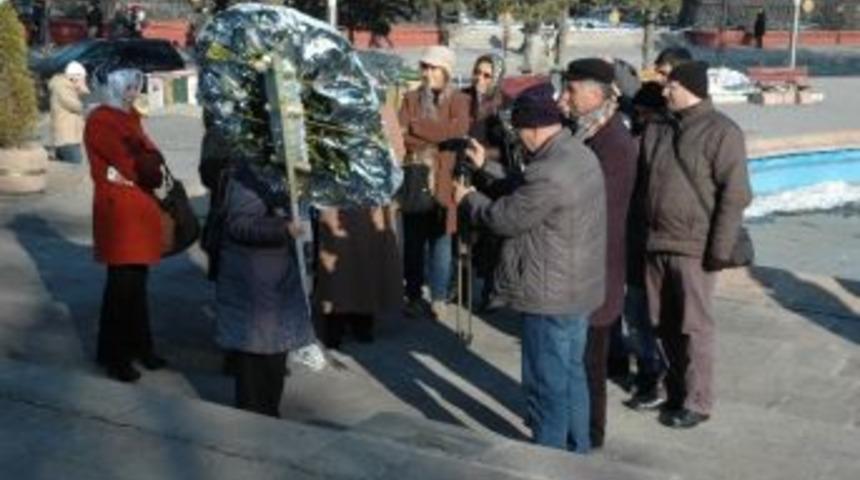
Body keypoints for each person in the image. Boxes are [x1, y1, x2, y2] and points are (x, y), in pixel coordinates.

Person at [453, 83, 606, 454]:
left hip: (548, 296)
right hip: (577, 291)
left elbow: (505, 218)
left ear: (535, 128)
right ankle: (577, 452)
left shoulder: (549, 172)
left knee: (545, 387)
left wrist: (468, 199)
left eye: (520, 131)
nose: (518, 139)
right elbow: (524, 189)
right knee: (571, 378)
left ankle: (548, 459)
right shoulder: (575, 154)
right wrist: (484, 167)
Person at [639, 61, 752, 428]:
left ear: (689, 88)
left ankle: (699, 401)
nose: (665, 90)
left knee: (695, 327)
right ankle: (674, 391)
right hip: (657, 242)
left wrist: (717, 251)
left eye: (670, 85)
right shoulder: (658, 126)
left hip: (695, 247)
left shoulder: (722, 132)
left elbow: (736, 195)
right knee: (662, 324)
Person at [560, 58, 639, 449]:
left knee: (591, 361)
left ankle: (591, 434)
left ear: (594, 93)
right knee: (579, 358)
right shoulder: (587, 132)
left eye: (571, 90)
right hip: (583, 267)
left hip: (598, 269)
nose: (565, 98)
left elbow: (597, 207)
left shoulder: (614, 142)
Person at [84, 66, 167, 382]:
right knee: (121, 289)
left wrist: (149, 157)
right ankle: (115, 356)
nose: (136, 92)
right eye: (130, 87)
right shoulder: (103, 120)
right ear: (116, 88)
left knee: (136, 285)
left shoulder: (129, 117)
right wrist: (149, 160)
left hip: (134, 210)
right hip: (120, 214)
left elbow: (150, 154)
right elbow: (139, 166)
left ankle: (140, 348)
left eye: (137, 86)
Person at [214, 160, 311, 417]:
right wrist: (283, 228)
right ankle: (254, 420)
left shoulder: (280, 173)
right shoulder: (250, 174)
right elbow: (238, 223)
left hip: (275, 282)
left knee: (274, 357)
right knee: (255, 361)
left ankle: (269, 414)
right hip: (254, 282)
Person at [315, 105, 404, 349]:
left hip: (367, 199)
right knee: (341, 260)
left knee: (362, 261)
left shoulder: (380, 108)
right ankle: (339, 322)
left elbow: (396, 151)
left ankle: (359, 321)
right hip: (339, 196)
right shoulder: (329, 102)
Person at [398, 46, 470, 320]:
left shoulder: (459, 100)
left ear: (446, 71)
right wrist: (437, 136)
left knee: (441, 242)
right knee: (413, 242)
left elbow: (458, 132)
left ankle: (438, 297)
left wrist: (418, 127)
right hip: (416, 177)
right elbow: (402, 136)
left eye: (433, 67)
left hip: (444, 180)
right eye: (424, 67)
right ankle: (413, 295)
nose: (427, 73)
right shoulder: (410, 98)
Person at [622, 81, 670, 411]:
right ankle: (648, 371)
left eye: (644, 114)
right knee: (637, 314)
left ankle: (656, 376)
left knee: (647, 316)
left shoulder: (652, 144)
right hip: (635, 242)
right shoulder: (640, 139)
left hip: (649, 243)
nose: (638, 119)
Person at [462, 53, 508, 311]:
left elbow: (512, 148)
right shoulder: (462, 97)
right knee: (465, 232)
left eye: (487, 75)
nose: (479, 78)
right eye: (477, 72)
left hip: (492, 176)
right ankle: (462, 288)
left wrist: (485, 154)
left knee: (491, 234)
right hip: (465, 171)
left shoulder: (504, 104)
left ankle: (491, 289)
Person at [49, 61, 90, 163]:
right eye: (82, 78)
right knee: (75, 169)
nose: (83, 80)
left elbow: (85, 98)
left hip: (70, 138)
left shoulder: (69, 88)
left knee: (71, 172)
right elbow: (77, 106)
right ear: (74, 77)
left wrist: (81, 87)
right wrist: (80, 87)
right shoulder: (62, 88)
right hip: (66, 139)